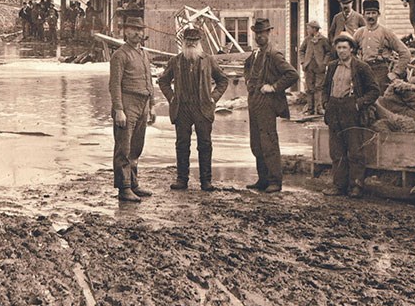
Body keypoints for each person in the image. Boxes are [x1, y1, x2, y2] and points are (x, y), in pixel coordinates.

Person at [157, 27, 229, 192]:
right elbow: (163, 81)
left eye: (194, 41)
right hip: (182, 108)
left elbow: (223, 80)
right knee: (182, 144)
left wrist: (213, 97)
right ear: (184, 43)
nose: (191, 44)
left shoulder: (208, 60)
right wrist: (172, 97)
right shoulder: (176, 61)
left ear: (199, 43)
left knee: (205, 144)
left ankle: (206, 181)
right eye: (188, 41)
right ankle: (182, 179)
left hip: (202, 107)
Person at [321, 33, 381, 197]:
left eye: (344, 48)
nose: (341, 51)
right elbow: (325, 87)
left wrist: (358, 104)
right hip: (334, 109)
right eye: (338, 47)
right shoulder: (332, 66)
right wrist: (325, 103)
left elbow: (374, 90)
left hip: (352, 111)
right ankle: (338, 186)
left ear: (352, 49)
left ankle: (356, 186)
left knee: (355, 151)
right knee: (336, 151)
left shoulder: (361, 67)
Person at [243, 18, 297, 193]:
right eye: (257, 33)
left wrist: (273, 87)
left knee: (269, 142)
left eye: (263, 33)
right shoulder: (255, 54)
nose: (260, 36)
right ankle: (263, 179)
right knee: (256, 143)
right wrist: (248, 81)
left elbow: (292, 74)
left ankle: (275, 181)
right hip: (254, 102)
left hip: (267, 103)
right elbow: (247, 68)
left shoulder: (274, 54)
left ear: (268, 33)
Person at [109, 17, 156, 202]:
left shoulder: (144, 54)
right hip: (127, 104)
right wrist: (118, 109)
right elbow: (114, 85)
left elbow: (149, 81)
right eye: (133, 29)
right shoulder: (120, 55)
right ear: (125, 32)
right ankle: (124, 188)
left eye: (140, 29)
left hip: (143, 103)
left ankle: (134, 184)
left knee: (136, 146)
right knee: (124, 147)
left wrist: (152, 105)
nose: (137, 33)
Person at [353, 0, 410, 87]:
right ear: (363, 15)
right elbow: (350, 53)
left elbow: (405, 53)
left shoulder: (386, 32)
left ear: (378, 14)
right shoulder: (359, 33)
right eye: (368, 13)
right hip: (363, 72)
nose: (370, 16)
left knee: (380, 95)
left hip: (381, 73)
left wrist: (396, 72)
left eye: (373, 13)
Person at [297, 21, 330, 116]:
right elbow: (301, 50)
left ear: (314, 29)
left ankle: (319, 108)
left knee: (318, 87)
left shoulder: (323, 40)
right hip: (308, 67)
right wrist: (303, 62)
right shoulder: (307, 40)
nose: (307, 30)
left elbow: (328, 52)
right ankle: (310, 108)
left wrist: (324, 63)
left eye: (309, 28)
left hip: (319, 67)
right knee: (309, 88)